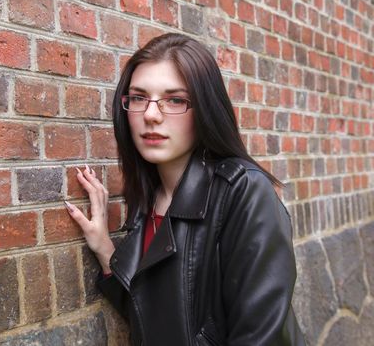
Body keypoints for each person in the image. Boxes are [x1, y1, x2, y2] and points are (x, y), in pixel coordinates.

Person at [64, 33, 306, 346]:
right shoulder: (147, 201)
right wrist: (105, 250)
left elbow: (261, 337)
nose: (151, 114)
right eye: (138, 97)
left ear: (205, 108)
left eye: (175, 100)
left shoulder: (243, 191)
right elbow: (159, 318)